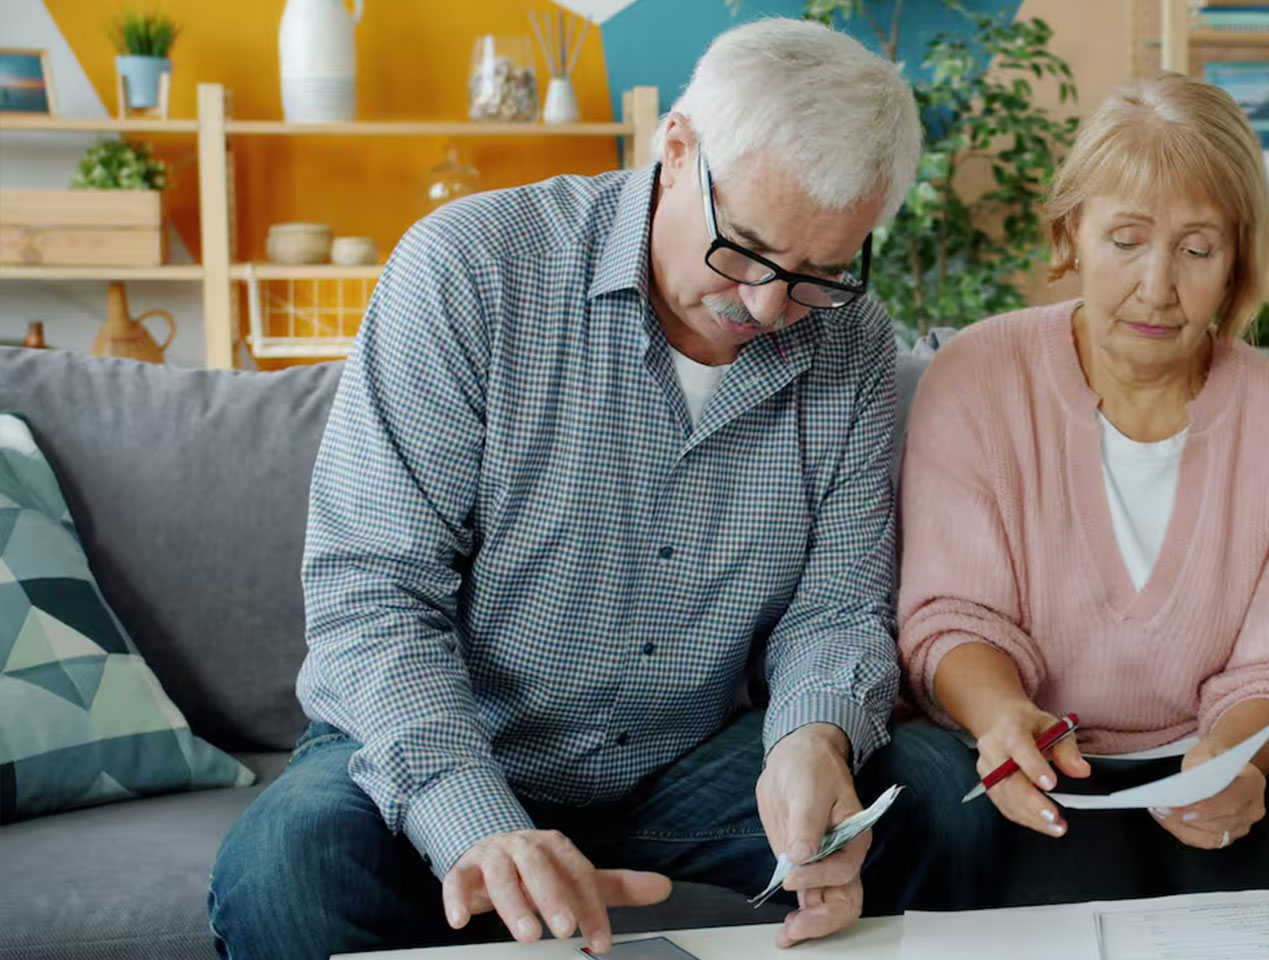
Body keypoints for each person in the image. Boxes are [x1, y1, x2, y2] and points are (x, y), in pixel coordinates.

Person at [210, 18, 990, 960]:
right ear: (676, 149)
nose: (769, 308)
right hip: (457, 746)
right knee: (288, 871)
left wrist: (813, 740)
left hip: (685, 761)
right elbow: (373, 595)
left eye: (820, 272)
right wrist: (478, 828)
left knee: (942, 799)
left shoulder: (853, 344)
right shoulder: (469, 270)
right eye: (744, 249)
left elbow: (835, 605)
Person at [897, 72, 1269, 907]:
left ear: (1236, 264)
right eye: (1126, 240)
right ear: (1071, 232)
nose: (1157, 286)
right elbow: (949, 617)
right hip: (1044, 761)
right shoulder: (974, 378)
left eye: (1196, 249)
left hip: (1228, 758)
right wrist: (1004, 717)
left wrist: (1231, 761)